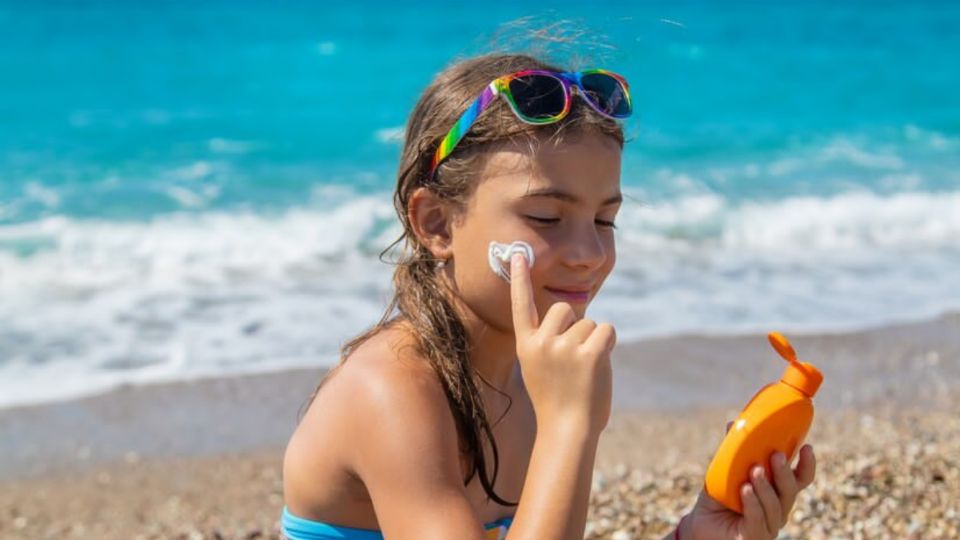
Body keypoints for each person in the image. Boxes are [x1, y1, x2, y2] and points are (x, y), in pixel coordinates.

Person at [282, 51, 816, 540]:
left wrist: (697, 534)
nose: (588, 253)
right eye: (546, 217)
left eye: (606, 219)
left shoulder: (530, 374)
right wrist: (569, 426)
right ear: (437, 223)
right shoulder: (391, 391)